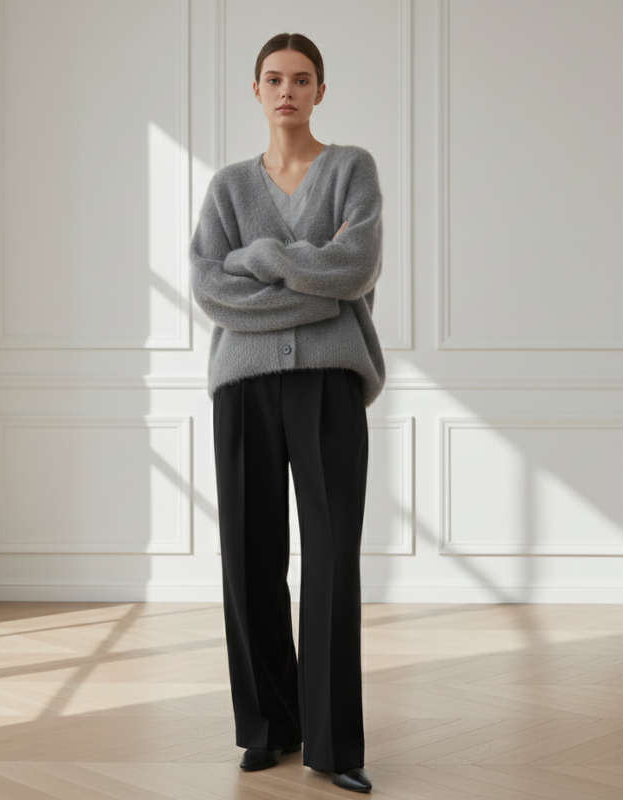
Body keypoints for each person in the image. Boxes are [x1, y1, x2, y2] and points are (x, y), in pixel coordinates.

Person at [189, 31, 385, 794]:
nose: (287, 91)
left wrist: (259, 258)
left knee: (332, 558)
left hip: (331, 384)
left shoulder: (350, 169)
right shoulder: (228, 188)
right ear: (256, 89)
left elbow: (357, 264)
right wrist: (309, 278)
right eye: (274, 78)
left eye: (302, 79)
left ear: (320, 91)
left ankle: (334, 747)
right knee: (249, 557)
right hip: (241, 387)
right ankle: (267, 729)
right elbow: (210, 288)